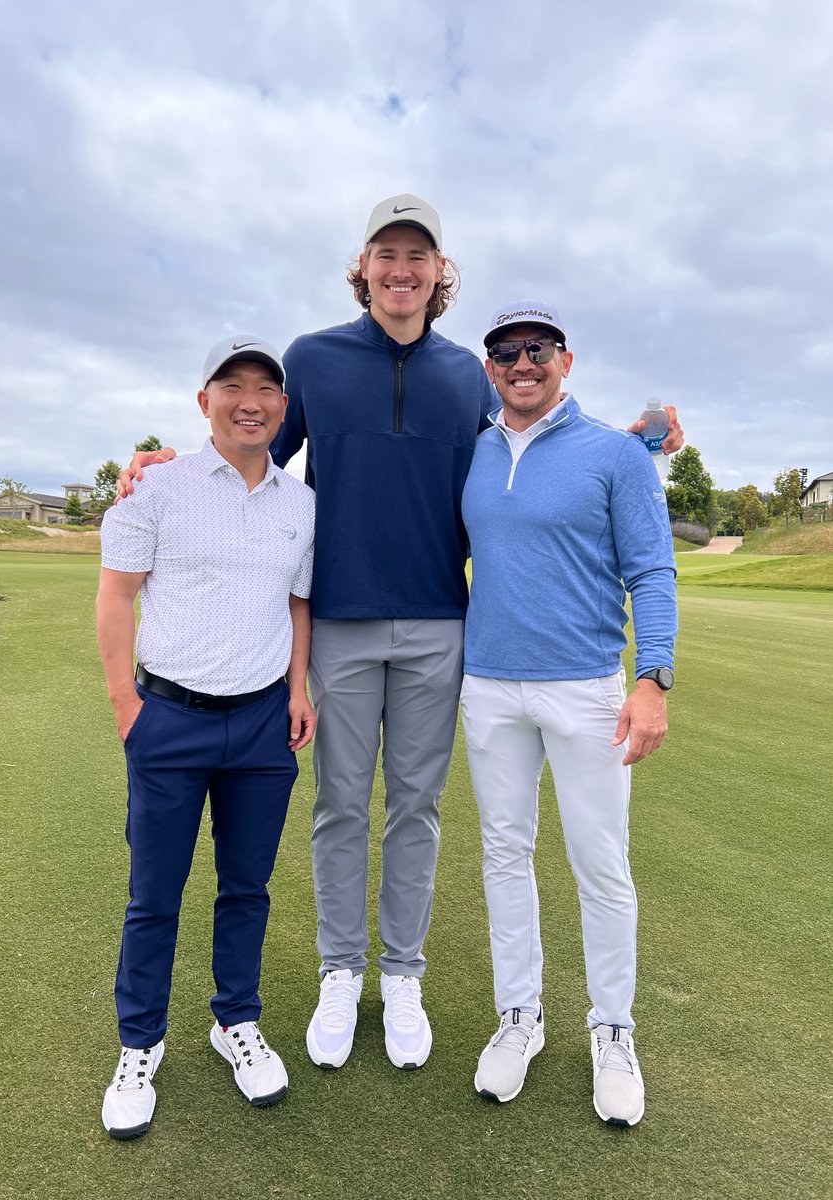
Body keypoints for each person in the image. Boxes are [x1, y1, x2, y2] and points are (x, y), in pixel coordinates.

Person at [117, 196, 683, 1076]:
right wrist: (161, 461)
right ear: (365, 265)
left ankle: (402, 973)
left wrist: (643, 435)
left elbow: (536, 430)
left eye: (419, 254)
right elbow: (254, 443)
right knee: (341, 805)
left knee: (414, 809)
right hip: (338, 619)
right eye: (387, 252)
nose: (402, 268)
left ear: (439, 272)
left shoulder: (470, 372)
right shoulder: (310, 358)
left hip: (437, 624)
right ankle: (342, 970)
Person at [460, 300, 677, 1127]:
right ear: (490, 369)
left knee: (600, 863)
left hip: (586, 686)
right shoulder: (472, 447)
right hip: (489, 686)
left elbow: (651, 571)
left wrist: (652, 678)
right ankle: (520, 1017)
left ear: (565, 359)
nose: (523, 362)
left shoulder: (616, 455)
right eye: (506, 351)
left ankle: (612, 1029)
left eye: (538, 348)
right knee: (506, 855)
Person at [96, 335, 315, 1139]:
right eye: (232, 385)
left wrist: (297, 690)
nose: (249, 399)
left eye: (265, 388)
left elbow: (298, 603)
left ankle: (235, 1022)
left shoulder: (302, 503)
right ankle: (139, 1041)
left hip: (261, 724)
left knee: (246, 888)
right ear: (204, 402)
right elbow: (117, 599)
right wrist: (128, 707)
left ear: (283, 409)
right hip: (170, 719)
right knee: (153, 896)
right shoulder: (156, 488)